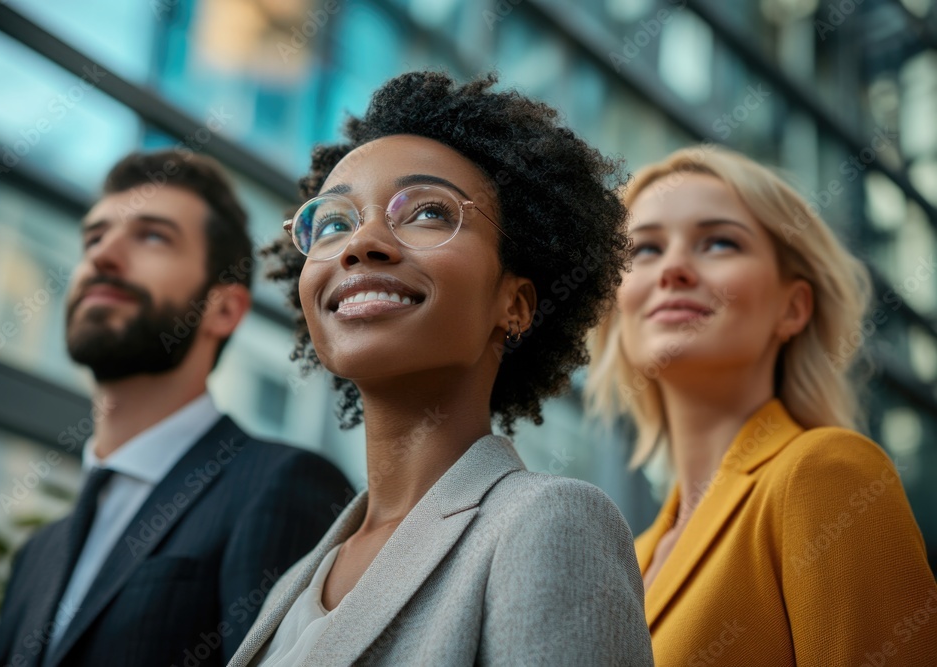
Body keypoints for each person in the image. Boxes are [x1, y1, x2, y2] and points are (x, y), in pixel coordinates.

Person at [227, 71, 653, 666]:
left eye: (427, 212)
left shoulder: (548, 522)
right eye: (332, 224)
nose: (361, 242)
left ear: (516, 303)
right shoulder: (295, 583)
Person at [0, 150, 352, 667]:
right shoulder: (37, 555)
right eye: (94, 237)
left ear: (222, 310)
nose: (103, 256)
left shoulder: (283, 486)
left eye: (152, 236)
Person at [585, 145, 937, 666]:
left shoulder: (827, 473)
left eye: (719, 242)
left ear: (792, 308)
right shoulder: (626, 559)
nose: (673, 269)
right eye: (644, 250)